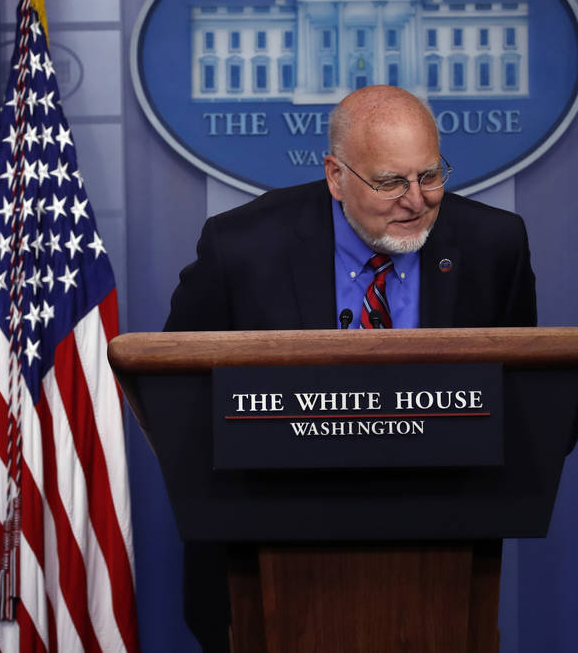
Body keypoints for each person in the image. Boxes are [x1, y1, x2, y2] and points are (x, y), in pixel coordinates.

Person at [163, 85, 535, 651]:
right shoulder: (241, 247)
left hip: (441, 563)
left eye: (431, 176)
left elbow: (529, 403)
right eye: (390, 182)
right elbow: (176, 400)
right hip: (264, 564)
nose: (417, 201)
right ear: (336, 176)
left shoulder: (494, 244)